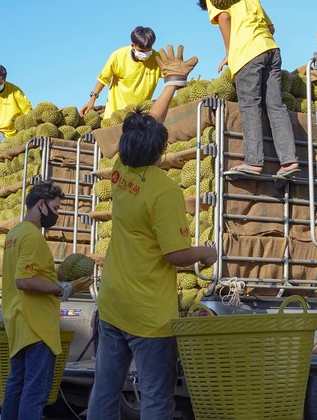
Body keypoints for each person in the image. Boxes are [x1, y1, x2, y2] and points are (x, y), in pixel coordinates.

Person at [86, 45, 218, 420]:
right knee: (157, 398)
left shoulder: (119, 169)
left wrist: (171, 86)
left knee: (105, 391)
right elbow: (174, 256)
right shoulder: (164, 190)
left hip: (112, 304)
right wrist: (206, 252)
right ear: (161, 150)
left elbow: (148, 129)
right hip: (148, 315)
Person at [197, 0, 299, 178]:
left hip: (247, 54)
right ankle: (289, 161)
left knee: (250, 105)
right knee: (276, 105)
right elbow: (271, 27)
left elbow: (224, 17)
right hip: (271, 49)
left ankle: (253, 162)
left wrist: (229, 52)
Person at [0, 180, 73, 420]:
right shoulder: (31, 236)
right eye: (55, 207)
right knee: (35, 391)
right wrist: (57, 289)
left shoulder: (14, 234)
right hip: (36, 325)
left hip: (19, 321)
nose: (57, 214)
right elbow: (24, 279)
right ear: (41, 205)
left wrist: (54, 277)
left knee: (17, 386)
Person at [79, 26, 162, 119]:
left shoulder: (156, 58)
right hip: (115, 114)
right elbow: (103, 79)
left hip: (139, 115)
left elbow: (170, 75)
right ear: (132, 46)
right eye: (141, 51)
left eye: (148, 50)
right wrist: (92, 100)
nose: (145, 54)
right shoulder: (118, 56)